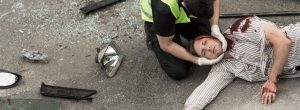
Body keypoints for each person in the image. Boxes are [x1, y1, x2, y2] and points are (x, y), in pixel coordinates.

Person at [183, 16, 300, 110]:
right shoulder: (225, 67)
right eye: (203, 53)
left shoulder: (240, 28)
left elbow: (283, 42)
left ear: (212, 37)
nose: (208, 48)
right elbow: (207, 88)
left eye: (205, 43)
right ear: (205, 60)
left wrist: (272, 81)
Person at [140, 0, 227, 80]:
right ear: (183, 3)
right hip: (158, 20)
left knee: (207, 33)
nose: (208, 48)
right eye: (203, 52)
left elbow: (215, 1)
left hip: (179, 11)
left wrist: (215, 27)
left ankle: (183, 26)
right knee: (178, 70)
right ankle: (153, 40)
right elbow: (166, 45)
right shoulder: (164, 8)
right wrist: (197, 60)